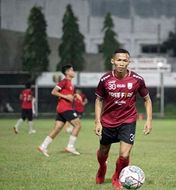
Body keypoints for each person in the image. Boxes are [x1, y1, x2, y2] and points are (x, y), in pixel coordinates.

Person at [94, 48, 152, 190]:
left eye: (125, 60)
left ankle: (117, 177)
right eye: (118, 60)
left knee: (124, 154)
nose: (121, 63)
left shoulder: (137, 79)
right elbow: (99, 100)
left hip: (128, 120)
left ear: (129, 62)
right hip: (108, 121)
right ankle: (102, 167)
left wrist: (149, 120)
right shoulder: (105, 79)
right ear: (113, 61)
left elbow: (147, 99)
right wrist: (98, 121)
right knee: (103, 151)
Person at [37, 64, 82, 157]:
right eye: (72, 70)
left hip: (62, 108)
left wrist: (75, 95)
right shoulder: (64, 81)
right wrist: (66, 96)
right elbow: (53, 91)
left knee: (57, 128)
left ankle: (43, 146)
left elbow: (68, 95)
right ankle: (70, 146)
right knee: (78, 125)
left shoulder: (70, 83)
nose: (73, 72)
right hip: (65, 108)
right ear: (67, 72)